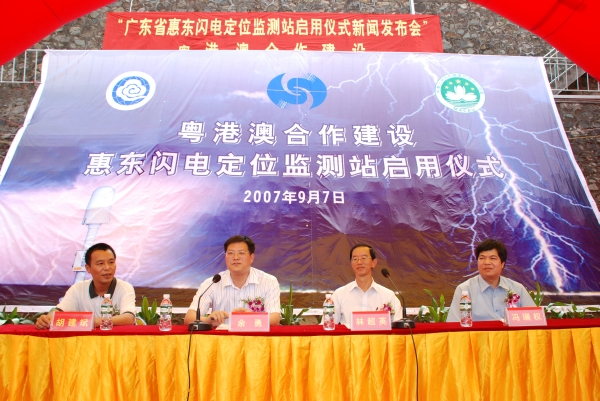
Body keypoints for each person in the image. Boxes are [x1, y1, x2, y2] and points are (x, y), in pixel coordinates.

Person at [183, 235, 281, 327]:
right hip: (221, 341)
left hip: (255, 341)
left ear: (251, 257)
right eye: (230, 253)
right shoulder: (212, 282)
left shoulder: (268, 281)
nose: (236, 257)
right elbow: (189, 318)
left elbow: (275, 319)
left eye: (241, 253)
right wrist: (208, 320)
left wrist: (252, 317)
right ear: (225, 256)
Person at [35, 243, 136, 329]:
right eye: (100, 263)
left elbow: (129, 318)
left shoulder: (125, 288)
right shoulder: (77, 289)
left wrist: (94, 322)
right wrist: (46, 319)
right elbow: (58, 312)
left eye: (111, 262)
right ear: (88, 268)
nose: (107, 268)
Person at [447, 238, 536, 322]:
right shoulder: (465, 290)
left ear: (502, 264)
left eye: (493, 258)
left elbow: (534, 320)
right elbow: (454, 326)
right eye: (482, 258)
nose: (487, 263)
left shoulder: (517, 289)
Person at [331, 243, 402, 326]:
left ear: (374, 262)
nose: (359, 262)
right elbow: (328, 326)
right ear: (351, 263)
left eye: (364, 258)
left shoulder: (388, 296)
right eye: (355, 259)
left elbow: (399, 328)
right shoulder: (339, 294)